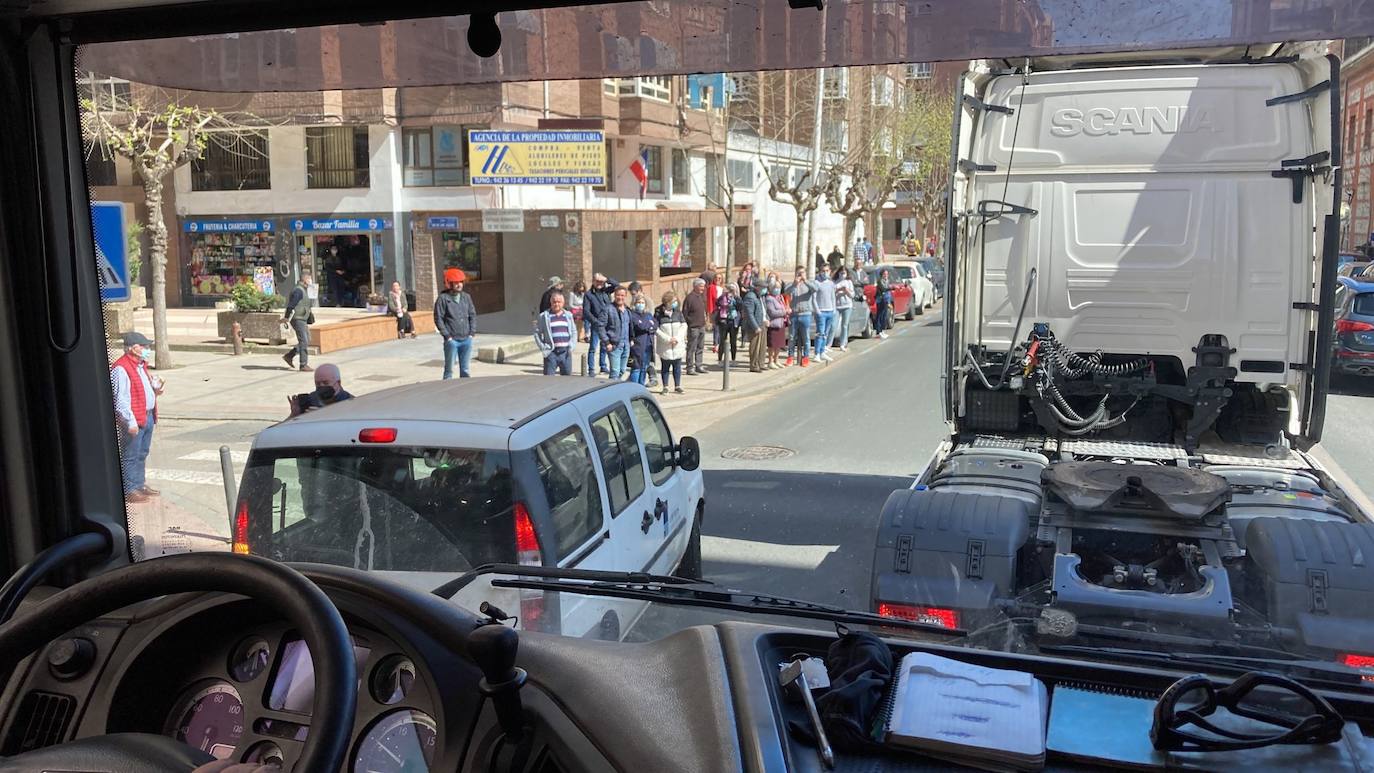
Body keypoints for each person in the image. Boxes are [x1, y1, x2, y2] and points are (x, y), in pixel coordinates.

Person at [111, 331, 162, 503]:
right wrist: (129, 421)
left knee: (142, 452)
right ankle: (129, 489)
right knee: (130, 454)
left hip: (147, 415)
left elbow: (142, 390)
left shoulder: (141, 365)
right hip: (133, 419)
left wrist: (155, 391)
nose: (147, 349)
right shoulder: (121, 368)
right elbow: (121, 399)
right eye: (144, 346)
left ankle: (139, 484)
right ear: (133, 348)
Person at [434, 267, 477, 379]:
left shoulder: (466, 297)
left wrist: (471, 333)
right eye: (456, 282)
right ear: (449, 284)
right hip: (452, 340)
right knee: (449, 370)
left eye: (461, 282)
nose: (459, 285)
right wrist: (447, 336)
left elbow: (472, 315)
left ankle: (465, 391)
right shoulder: (443, 299)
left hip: (466, 339)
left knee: (465, 370)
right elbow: (438, 318)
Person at [583, 273, 618, 377]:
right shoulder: (589, 295)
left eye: (600, 282)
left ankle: (603, 366)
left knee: (604, 346)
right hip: (596, 324)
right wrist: (595, 322)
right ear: (593, 281)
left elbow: (617, 286)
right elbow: (586, 311)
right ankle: (591, 369)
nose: (599, 284)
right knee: (593, 347)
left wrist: (607, 279)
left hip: (607, 323)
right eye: (597, 281)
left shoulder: (606, 291)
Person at [534, 291, 577, 375]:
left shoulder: (568, 315)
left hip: (565, 353)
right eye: (554, 302)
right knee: (549, 380)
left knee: (567, 380)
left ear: (563, 303)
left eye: (559, 302)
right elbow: (537, 333)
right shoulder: (544, 316)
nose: (556, 304)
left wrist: (572, 346)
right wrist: (543, 347)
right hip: (551, 353)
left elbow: (574, 331)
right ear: (551, 302)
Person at [288, 363, 354, 417]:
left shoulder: (350, 402)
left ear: (338, 383)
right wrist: (293, 415)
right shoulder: (311, 399)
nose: (322, 386)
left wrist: (323, 416)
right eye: (318, 383)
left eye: (326, 383)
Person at [655, 291, 687, 394]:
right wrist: (668, 339)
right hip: (666, 345)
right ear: (667, 302)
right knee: (665, 367)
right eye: (673, 301)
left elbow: (684, 325)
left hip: (677, 344)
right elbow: (656, 329)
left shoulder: (678, 312)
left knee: (677, 366)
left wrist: (677, 338)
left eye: (676, 301)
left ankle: (677, 385)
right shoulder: (658, 313)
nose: (675, 303)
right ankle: (665, 386)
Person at [785, 267, 818, 367]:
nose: (800, 275)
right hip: (794, 314)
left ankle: (806, 357)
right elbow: (786, 292)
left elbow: (815, 289)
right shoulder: (791, 285)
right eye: (798, 273)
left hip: (805, 314)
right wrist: (795, 284)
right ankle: (790, 357)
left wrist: (805, 280)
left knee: (806, 337)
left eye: (802, 273)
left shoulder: (808, 284)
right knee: (791, 337)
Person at [281, 274, 315, 372]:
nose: (310, 282)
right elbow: (291, 305)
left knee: (307, 339)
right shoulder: (298, 290)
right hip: (298, 318)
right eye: (310, 280)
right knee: (303, 340)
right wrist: (286, 317)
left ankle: (289, 355)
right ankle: (303, 365)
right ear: (305, 280)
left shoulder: (303, 290)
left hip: (302, 318)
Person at [598, 286, 632, 380]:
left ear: (625, 296)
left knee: (622, 370)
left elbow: (630, 327)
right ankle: (612, 392)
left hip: (626, 345)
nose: (620, 297)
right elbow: (600, 326)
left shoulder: (628, 310)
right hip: (614, 345)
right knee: (615, 371)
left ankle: (616, 387)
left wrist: (631, 339)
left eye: (622, 295)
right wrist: (607, 342)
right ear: (614, 295)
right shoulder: (607, 309)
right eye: (618, 295)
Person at [627, 292, 658, 385]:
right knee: (636, 368)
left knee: (644, 367)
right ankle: (634, 387)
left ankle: (641, 386)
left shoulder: (648, 314)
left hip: (648, 345)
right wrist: (649, 326)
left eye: (642, 302)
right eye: (638, 302)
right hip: (638, 345)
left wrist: (649, 326)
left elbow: (655, 324)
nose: (640, 304)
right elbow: (641, 326)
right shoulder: (632, 315)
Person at [682, 278, 709, 375]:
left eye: (703, 286)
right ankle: (690, 367)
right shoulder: (690, 298)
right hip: (693, 327)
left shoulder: (701, 297)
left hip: (702, 326)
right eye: (701, 286)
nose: (703, 288)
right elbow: (685, 313)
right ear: (695, 286)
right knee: (691, 347)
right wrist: (690, 322)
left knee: (700, 347)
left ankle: (699, 365)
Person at [740, 279, 767, 372]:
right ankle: (754, 365)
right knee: (755, 346)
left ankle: (761, 363)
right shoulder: (750, 297)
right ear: (757, 288)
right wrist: (755, 327)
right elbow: (749, 314)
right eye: (763, 288)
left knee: (762, 346)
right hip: (755, 326)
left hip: (762, 323)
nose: (765, 290)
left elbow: (763, 310)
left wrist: (766, 319)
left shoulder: (759, 296)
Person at [812, 265, 838, 362]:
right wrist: (817, 310)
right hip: (821, 311)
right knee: (820, 333)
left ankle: (822, 352)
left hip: (830, 311)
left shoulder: (831, 283)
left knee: (825, 333)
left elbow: (833, 297)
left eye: (827, 270)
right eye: (823, 271)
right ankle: (817, 353)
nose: (825, 272)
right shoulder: (817, 283)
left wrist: (834, 309)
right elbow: (813, 298)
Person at [714, 282, 741, 363]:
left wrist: (735, 296)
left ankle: (733, 359)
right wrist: (724, 295)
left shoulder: (736, 298)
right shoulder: (722, 297)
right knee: (722, 340)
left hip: (733, 320)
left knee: (733, 341)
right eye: (729, 290)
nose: (730, 292)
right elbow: (717, 303)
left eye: (731, 290)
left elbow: (740, 306)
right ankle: (720, 359)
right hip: (724, 320)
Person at [765, 282, 788, 369]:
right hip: (773, 324)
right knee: (772, 344)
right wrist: (784, 312)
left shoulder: (780, 298)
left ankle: (776, 360)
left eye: (779, 287)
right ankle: (770, 361)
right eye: (775, 287)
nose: (777, 289)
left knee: (779, 344)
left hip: (781, 323)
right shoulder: (769, 299)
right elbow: (772, 312)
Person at [833, 266, 855, 352]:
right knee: (833, 325)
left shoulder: (849, 282)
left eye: (844, 273)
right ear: (838, 273)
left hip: (847, 305)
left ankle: (843, 343)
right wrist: (837, 290)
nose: (842, 275)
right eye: (841, 273)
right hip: (837, 306)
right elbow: (831, 293)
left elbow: (852, 295)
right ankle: (828, 344)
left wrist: (846, 291)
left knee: (845, 325)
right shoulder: (835, 282)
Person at [874, 267, 894, 339]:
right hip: (880, 300)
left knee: (884, 316)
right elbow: (883, 289)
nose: (885, 275)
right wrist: (891, 288)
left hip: (886, 300)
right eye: (884, 274)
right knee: (880, 316)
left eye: (886, 274)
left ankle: (882, 331)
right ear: (881, 274)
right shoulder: (880, 281)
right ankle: (878, 332)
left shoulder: (887, 281)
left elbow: (888, 291)